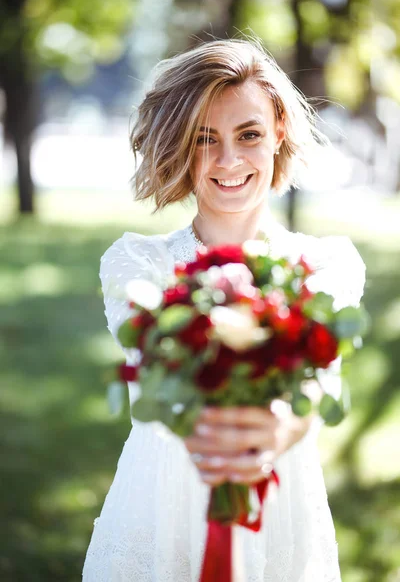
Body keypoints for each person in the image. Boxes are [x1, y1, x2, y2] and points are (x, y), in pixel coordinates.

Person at [82, 38, 365, 581]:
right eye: (204, 138)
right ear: (180, 146)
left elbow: (319, 383)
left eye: (249, 134)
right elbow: (157, 371)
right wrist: (217, 447)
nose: (229, 160)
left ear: (279, 128)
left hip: (283, 513)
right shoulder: (138, 265)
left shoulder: (328, 265)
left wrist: (275, 435)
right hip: (161, 503)